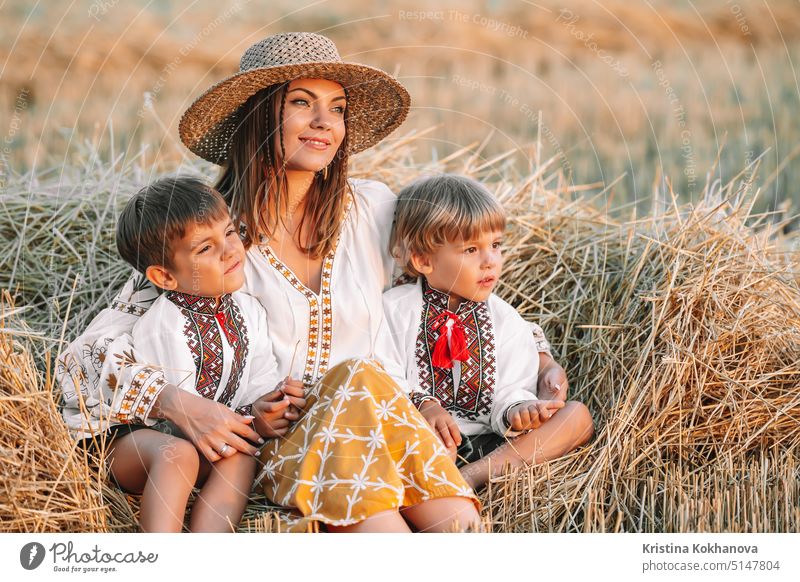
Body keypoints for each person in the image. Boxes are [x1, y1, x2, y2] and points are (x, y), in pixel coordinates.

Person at [58, 32, 481, 532]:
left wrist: (535, 357)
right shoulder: (213, 238)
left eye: (337, 107)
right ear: (260, 116)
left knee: (455, 524)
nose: (325, 122)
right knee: (381, 519)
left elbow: (465, 279)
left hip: (380, 420)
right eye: (302, 103)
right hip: (286, 443)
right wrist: (184, 405)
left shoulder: (374, 209)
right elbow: (85, 356)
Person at [63, 175, 300, 532]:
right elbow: (171, 420)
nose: (229, 250)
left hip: (193, 440)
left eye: (231, 232)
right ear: (165, 276)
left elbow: (257, 378)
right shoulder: (164, 323)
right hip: (130, 442)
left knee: (242, 453)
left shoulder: (249, 311)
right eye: (205, 248)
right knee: (178, 455)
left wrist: (262, 410)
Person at [376, 174, 595, 490]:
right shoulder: (394, 309)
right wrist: (424, 404)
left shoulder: (504, 319)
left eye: (495, 245)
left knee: (577, 417)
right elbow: (381, 371)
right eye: (470, 250)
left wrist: (518, 410)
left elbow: (512, 383)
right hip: (426, 439)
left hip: (493, 444)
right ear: (423, 259)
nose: (490, 261)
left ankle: (473, 476)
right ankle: (441, 477)